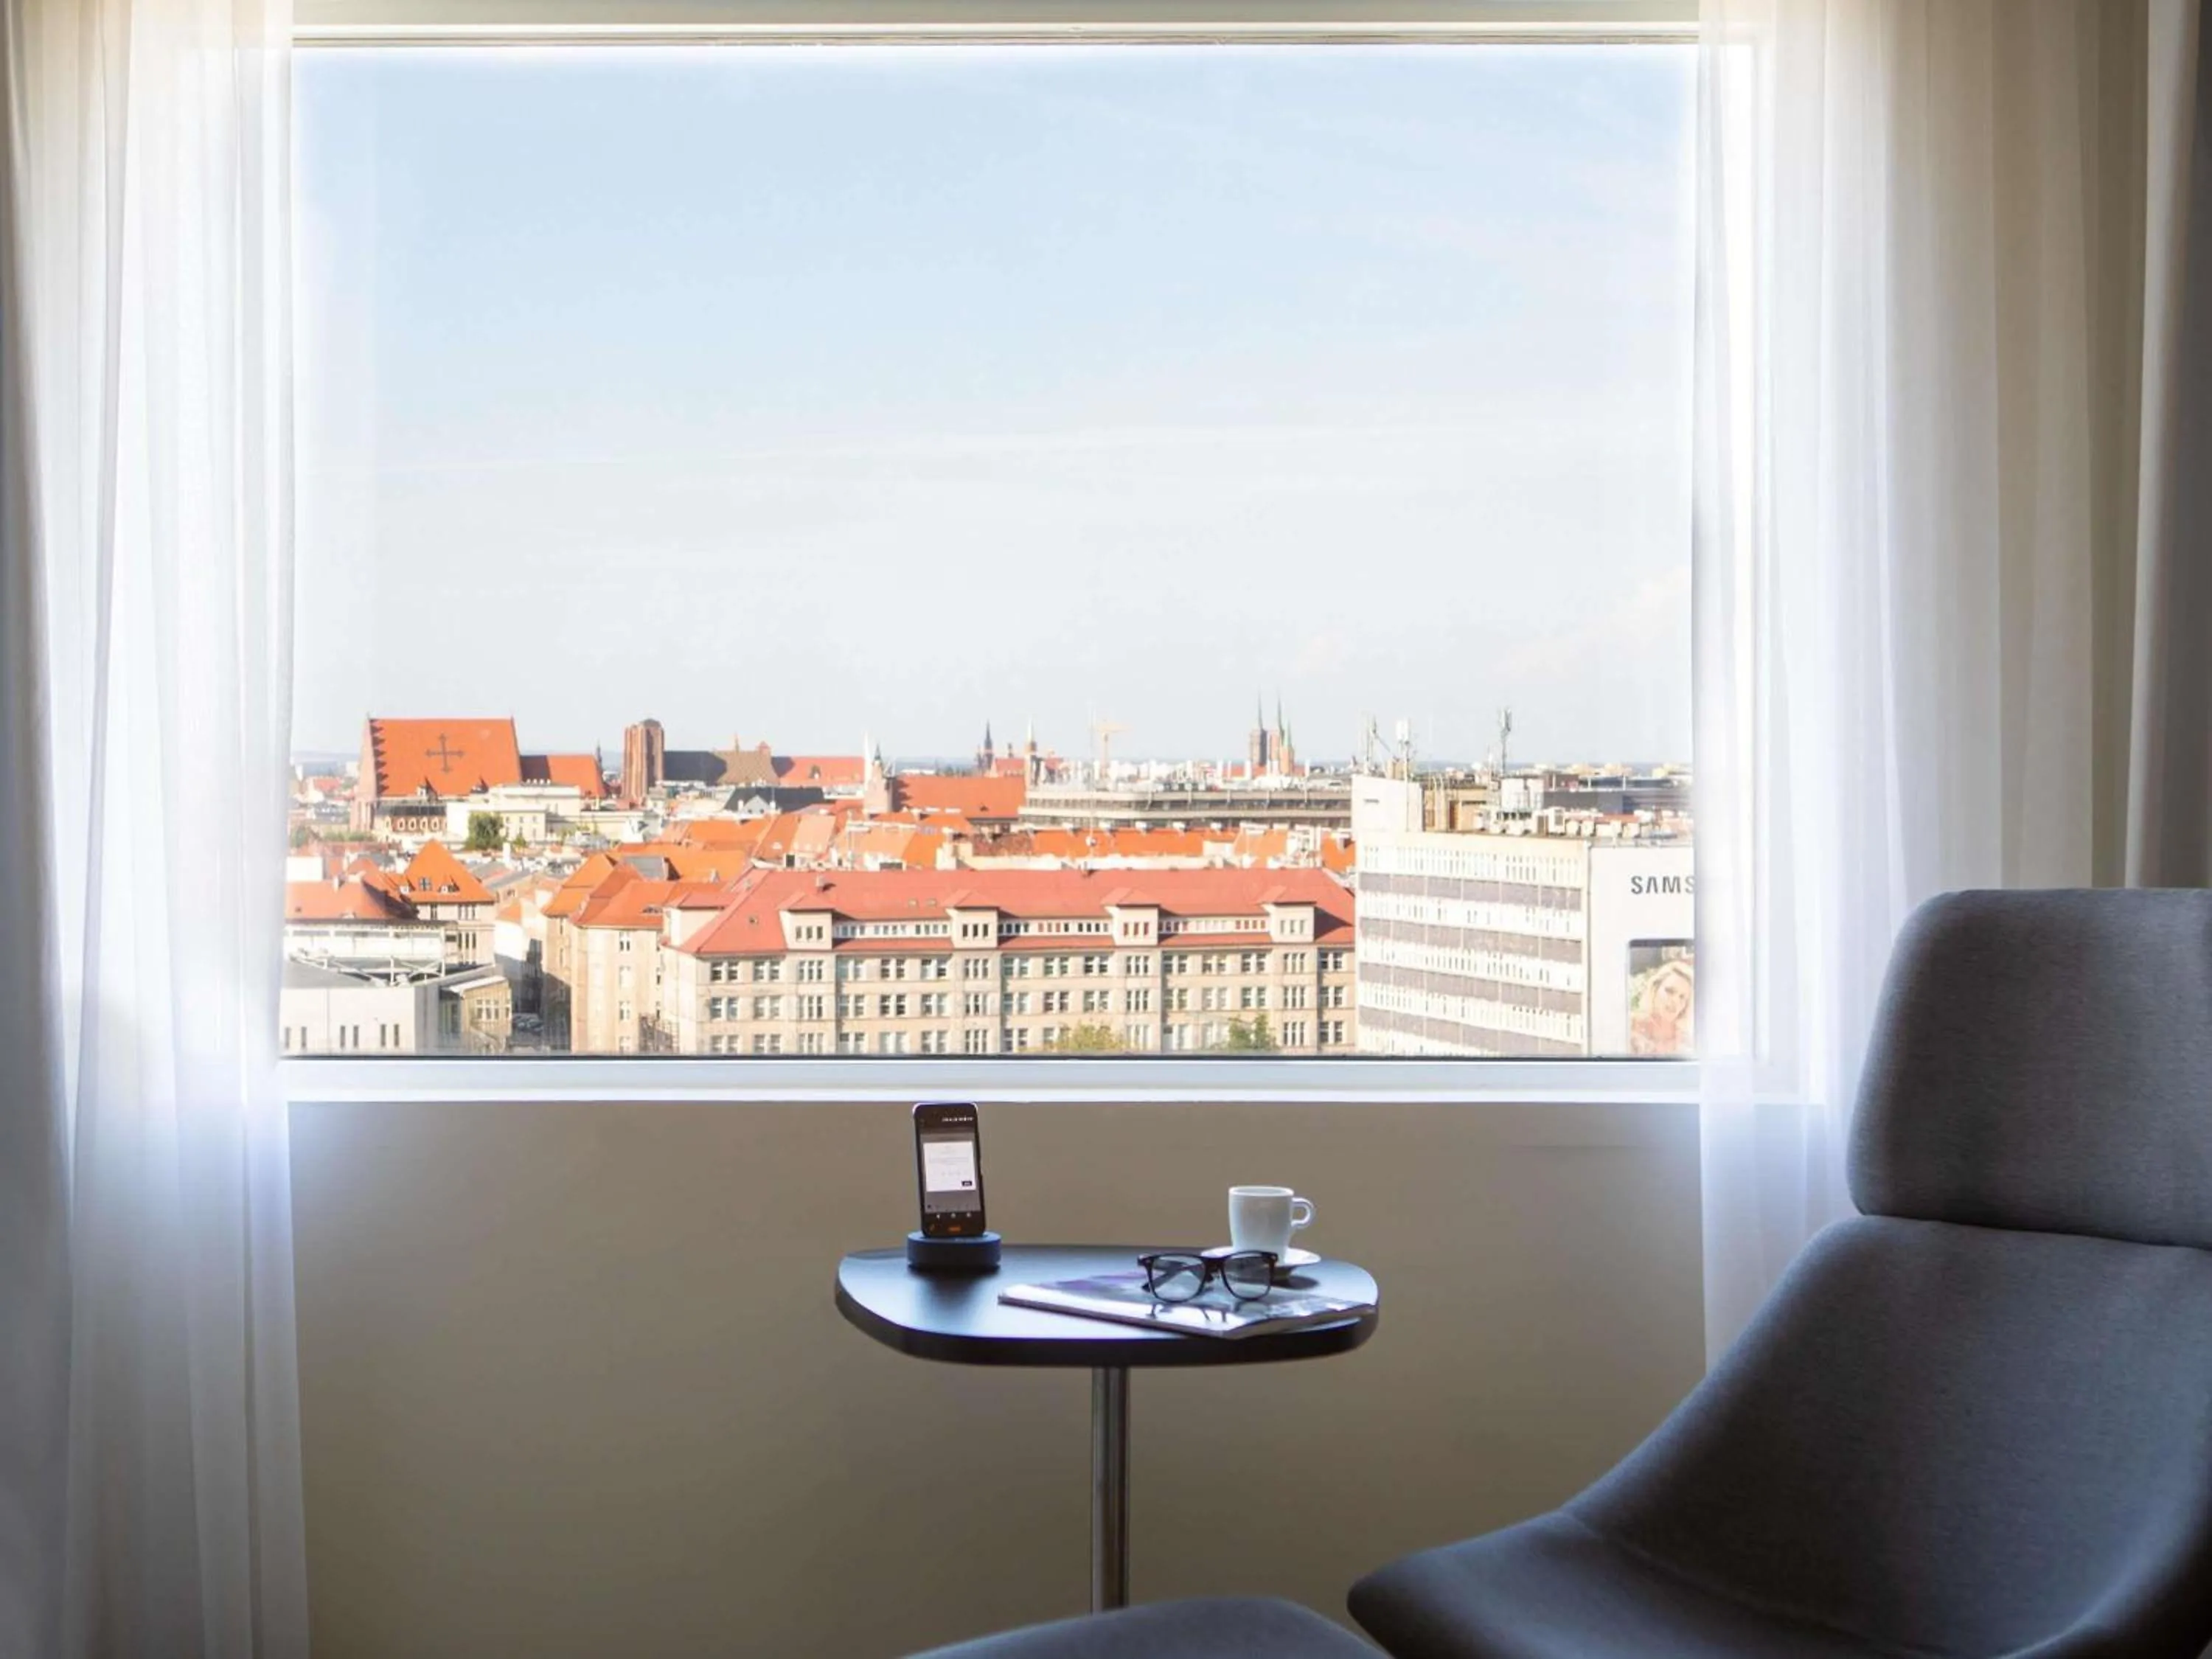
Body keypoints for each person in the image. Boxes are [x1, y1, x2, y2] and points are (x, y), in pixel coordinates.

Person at [1630, 956, 1694, 1056]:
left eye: (1682, 997)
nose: (1675, 1001)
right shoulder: (1628, 1025)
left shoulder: (1687, 1043)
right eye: (1670, 991)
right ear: (1655, 989)